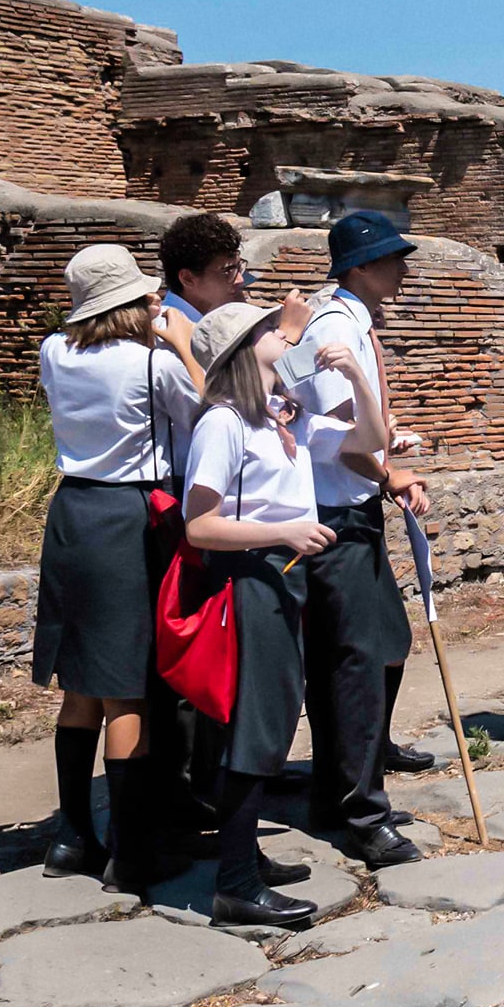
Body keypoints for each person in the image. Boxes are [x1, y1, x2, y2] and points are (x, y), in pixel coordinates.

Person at [182, 300, 389, 926]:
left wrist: (358, 377)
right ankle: (236, 886)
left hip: (280, 581)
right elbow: (198, 526)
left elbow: (371, 442)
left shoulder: (280, 419)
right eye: (270, 329)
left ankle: (241, 857)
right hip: (248, 582)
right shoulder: (222, 424)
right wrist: (287, 532)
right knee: (257, 726)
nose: (283, 332)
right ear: (246, 349)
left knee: (269, 721)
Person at [33, 245, 201, 892]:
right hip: (127, 518)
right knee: (126, 686)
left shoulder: (54, 352)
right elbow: (199, 415)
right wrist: (181, 340)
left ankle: (72, 835)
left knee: (81, 684)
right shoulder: (152, 363)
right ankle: (130, 857)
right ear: (132, 300)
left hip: (70, 513)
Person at [289, 213, 431, 870]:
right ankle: (361, 813)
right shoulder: (335, 329)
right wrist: (386, 468)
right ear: (361, 267)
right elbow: (336, 437)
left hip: (352, 509)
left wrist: (387, 464)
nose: (401, 267)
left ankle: (340, 791)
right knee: (355, 665)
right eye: (391, 257)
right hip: (334, 516)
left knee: (372, 654)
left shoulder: (353, 325)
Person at [158, 212, 248, 327]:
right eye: (227, 272)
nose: (240, 280)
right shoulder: (162, 334)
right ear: (188, 279)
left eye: (238, 267)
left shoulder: (218, 319)